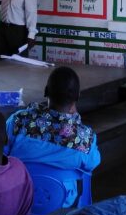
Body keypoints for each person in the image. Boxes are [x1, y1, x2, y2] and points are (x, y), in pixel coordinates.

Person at [6, 65, 101, 207]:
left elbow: (3, 153)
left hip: (18, 203)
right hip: (62, 210)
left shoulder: (18, 122)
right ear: (77, 97)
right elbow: (92, 164)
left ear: (46, 92)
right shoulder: (85, 138)